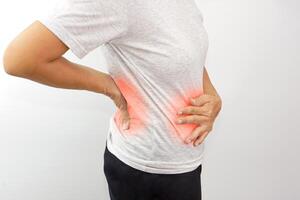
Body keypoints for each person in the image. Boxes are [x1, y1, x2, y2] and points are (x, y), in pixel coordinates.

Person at [3, 0, 222, 199]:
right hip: (144, 170)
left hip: (186, 162)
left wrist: (212, 95)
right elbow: (20, 59)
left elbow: (186, 56)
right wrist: (109, 86)